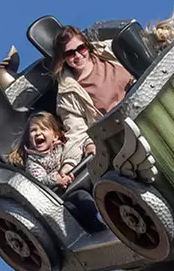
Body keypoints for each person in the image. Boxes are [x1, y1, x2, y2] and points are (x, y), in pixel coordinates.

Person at [50, 25, 135, 169]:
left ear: (86, 45)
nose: (77, 56)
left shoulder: (108, 50)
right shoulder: (68, 93)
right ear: (63, 59)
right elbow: (76, 131)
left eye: (80, 48)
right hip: (125, 133)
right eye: (70, 53)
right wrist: (69, 163)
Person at [8, 111, 73, 189]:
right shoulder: (33, 162)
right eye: (33, 130)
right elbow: (40, 180)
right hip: (57, 192)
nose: (38, 133)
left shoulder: (61, 145)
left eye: (43, 129)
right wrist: (55, 179)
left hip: (72, 178)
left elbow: (73, 151)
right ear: (29, 140)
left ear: (55, 136)